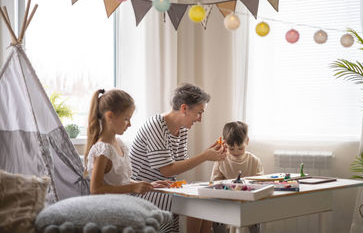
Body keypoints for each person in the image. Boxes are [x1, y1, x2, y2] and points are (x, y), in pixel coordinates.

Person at [129, 83, 227, 233]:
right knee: (196, 202)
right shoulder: (156, 125)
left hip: (162, 187)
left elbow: (179, 166)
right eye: (199, 113)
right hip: (141, 191)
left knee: (207, 196)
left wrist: (208, 153)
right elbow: (167, 170)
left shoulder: (182, 129)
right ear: (184, 108)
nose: (200, 119)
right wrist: (204, 156)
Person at [84, 89, 171, 195]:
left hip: (123, 204)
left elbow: (119, 183)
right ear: (109, 116)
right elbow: (95, 189)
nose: (129, 124)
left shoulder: (119, 144)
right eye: (126, 119)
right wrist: (132, 188)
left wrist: (146, 185)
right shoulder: (103, 149)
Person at [210, 121, 264, 233]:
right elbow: (214, 182)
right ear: (224, 144)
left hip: (249, 202)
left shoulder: (254, 160)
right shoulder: (221, 160)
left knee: (255, 217)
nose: (236, 152)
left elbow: (260, 182)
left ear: (247, 141)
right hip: (226, 201)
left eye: (240, 148)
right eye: (231, 148)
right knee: (216, 215)